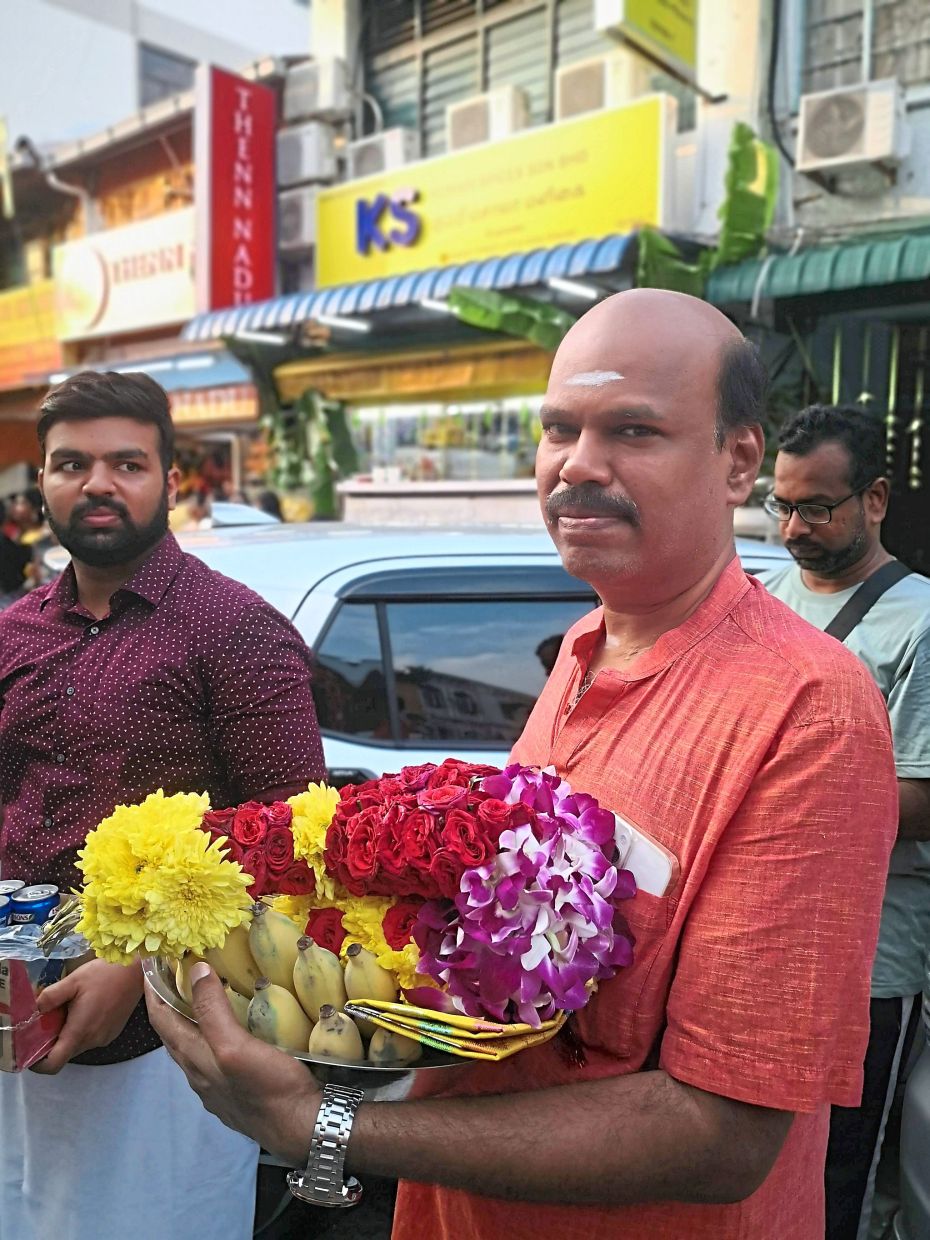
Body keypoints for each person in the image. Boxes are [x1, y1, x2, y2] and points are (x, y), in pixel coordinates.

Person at [146, 290, 899, 1240]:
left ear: (738, 460)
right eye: (559, 429)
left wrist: (324, 1126)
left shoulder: (807, 710)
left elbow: (725, 1131)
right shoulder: (585, 645)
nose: (578, 466)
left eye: (633, 430)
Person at [0, 370, 327, 1240]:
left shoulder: (233, 629)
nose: (97, 484)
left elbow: (293, 842)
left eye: (126, 464)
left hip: (166, 1039)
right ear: (43, 483)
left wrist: (137, 965)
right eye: (71, 464)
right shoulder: (17, 629)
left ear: (170, 483)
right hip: (16, 1020)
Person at [758, 404, 930, 1240]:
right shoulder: (763, 597)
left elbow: (923, 800)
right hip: (759, 937)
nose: (794, 528)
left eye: (817, 508)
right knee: (758, 1163)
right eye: (781, 505)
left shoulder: (921, 622)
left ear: (875, 500)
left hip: (869, 957)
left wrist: (771, 790)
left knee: (839, 1178)